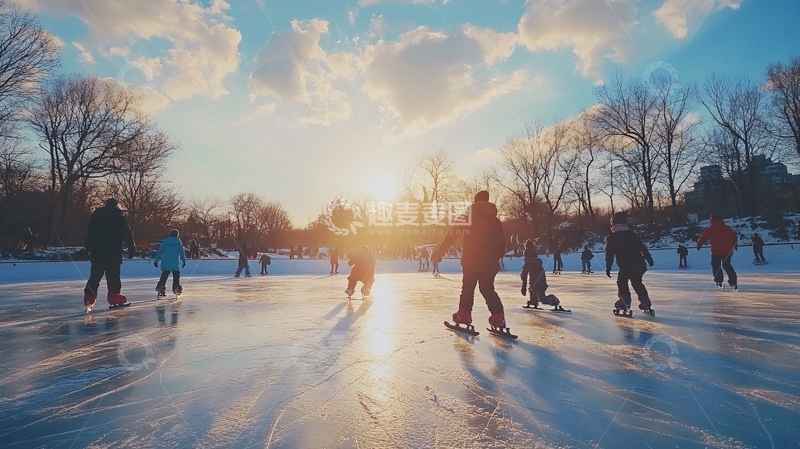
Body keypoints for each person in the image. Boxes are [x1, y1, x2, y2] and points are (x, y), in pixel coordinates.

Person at [432, 191, 509, 331]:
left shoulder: (467, 217)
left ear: (475, 202)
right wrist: (494, 257)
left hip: (471, 261)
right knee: (488, 289)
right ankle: (498, 317)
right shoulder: (496, 221)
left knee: (468, 288)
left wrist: (440, 252)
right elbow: (502, 244)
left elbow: (451, 235)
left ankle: (464, 314)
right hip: (490, 263)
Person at [83, 198, 136, 309]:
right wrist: (131, 248)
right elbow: (127, 233)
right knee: (113, 276)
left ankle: (89, 296)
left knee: (95, 275)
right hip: (114, 252)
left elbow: (90, 233)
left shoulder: (97, 216)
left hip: (97, 251)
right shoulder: (119, 216)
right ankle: (114, 296)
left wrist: (87, 248)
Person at [605, 211, 655, 314]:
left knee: (622, 282)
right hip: (639, 264)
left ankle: (624, 301)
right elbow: (642, 247)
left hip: (625, 266)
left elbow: (609, 254)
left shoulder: (612, 237)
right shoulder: (631, 234)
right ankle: (645, 301)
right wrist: (649, 259)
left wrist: (608, 267)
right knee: (637, 282)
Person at [520, 239, 564, 311]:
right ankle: (533, 301)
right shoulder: (537, 260)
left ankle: (553, 300)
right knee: (532, 290)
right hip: (541, 280)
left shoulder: (528, 261)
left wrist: (523, 288)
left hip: (536, 282)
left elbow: (524, 275)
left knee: (542, 298)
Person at [697, 214, 738, 289]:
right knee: (727, 265)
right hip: (727, 251)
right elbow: (734, 237)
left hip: (716, 251)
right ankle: (733, 281)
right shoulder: (727, 228)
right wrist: (735, 245)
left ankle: (719, 281)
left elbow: (704, 237)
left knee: (716, 266)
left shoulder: (711, 229)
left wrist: (699, 244)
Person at [154, 229, 186, 296]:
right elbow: (182, 254)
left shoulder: (165, 243)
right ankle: (176, 287)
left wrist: (156, 261)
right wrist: (184, 261)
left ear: (170, 234)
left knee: (164, 275)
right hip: (175, 263)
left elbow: (159, 252)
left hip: (165, 263)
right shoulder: (179, 243)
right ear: (177, 235)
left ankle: (161, 287)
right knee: (176, 276)